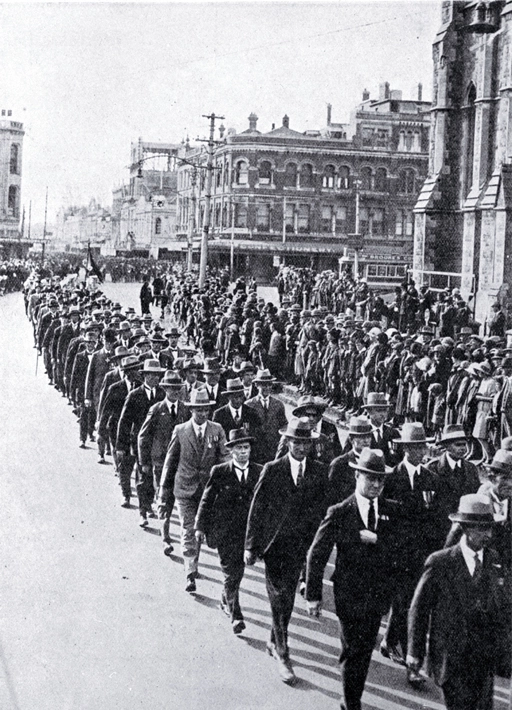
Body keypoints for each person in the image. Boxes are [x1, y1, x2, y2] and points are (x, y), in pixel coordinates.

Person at [306, 449, 401, 710]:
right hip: (349, 593)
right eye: (370, 478)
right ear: (357, 475)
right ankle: (351, 702)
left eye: (380, 480)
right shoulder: (340, 511)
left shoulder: (391, 511)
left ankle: (352, 696)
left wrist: (378, 539)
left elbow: (402, 548)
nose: (376, 485)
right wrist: (313, 595)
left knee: (365, 649)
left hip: (378, 594)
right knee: (351, 649)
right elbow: (317, 554)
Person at [244, 417, 327, 684]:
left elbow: (321, 510)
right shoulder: (272, 469)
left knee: (287, 599)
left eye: (306, 443)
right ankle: (283, 653)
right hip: (273, 546)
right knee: (279, 599)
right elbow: (256, 509)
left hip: (300, 547)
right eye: (297, 442)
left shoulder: (318, 471)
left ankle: (273, 637)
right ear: (288, 442)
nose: (301, 447)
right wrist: (250, 546)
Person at [407, 494, 507, 710]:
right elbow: (419, 609)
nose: (488, 534)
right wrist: (414, 651)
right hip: (451, 660)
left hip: (483, 660)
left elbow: (504, 610)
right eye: (482, 529)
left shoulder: (494, 560)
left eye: (490, 528)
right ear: (466, 528)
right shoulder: (440, 562)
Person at [380, 422, 442, 685]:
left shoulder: (432, 480)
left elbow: (437, 520)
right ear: (404, 449)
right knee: (404, 601)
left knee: (411, 604)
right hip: (397, 552)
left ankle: (390, 640)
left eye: (421, 447)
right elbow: (383, 516)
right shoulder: (391, 479)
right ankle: (411, 663)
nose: (418, 451)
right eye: (412, 447)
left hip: (422, 554)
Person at [158, 388, 229, 592]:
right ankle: (190, 571)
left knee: (200, 530)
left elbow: (224, 456)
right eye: (199, 410)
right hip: (185, 489)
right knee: (188, 528)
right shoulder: (180, 431)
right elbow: (170, 463)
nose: (203, 414)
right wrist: (164, 491)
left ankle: (194, 563)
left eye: (206, 410)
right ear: (191, 410)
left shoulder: (217, 430)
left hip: (207, 491)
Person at [195, 429, 262, 635]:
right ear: (231, 451)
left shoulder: (260, 472)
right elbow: (206, 500)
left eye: (246, 448)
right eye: (239, 448)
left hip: (247, 534)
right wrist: (199, 526)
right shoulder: (220, 471)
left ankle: (226, 598)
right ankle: (236, 616)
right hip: (224, 533)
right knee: (230, 573)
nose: (243, 452)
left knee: (237, 573)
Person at [138, 370, 190, 555]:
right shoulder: (157, 409)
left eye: (178, 388)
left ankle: (187, 541)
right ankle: (166, 539)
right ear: (165, 389)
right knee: (164, 500)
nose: (175, 392)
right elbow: (143, 437)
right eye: (171, 388)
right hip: (160, 462)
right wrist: (144, 461)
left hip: (182, 463)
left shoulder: (186, 410)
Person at [117, 359, 166, 527]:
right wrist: (120, 446)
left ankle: (148, 502)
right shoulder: (134, 395)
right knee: (142, 474)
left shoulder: (162, 395)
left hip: (159, 443)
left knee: (153, 475)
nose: (154, 378)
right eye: (151, 375)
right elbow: (124, 422)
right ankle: (143, 512)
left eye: (157, 375)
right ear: (144, 376)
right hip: (139, 441)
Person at [245, 368, 288, 464]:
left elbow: (284, 425)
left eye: (269, 384)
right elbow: (245, 429)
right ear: (256, 385)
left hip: (273, 449)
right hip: (256, 451)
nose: (267, 387)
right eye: (263, 385)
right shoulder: (248, 405)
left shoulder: (278, 405)